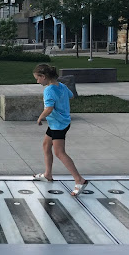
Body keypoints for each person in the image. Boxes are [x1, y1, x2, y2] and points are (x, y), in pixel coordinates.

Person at [32, 63, 88, 197]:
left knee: (59, 152)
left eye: (38, 78)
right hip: (59, 122)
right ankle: (48, 175)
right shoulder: (61, 86)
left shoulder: (48, 90)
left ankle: (79, 180)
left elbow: (49, 108)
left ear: (44, 77)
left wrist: (40, 117)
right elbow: (71, 95)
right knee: (46, 146)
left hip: (58, 125)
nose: (37, 81)